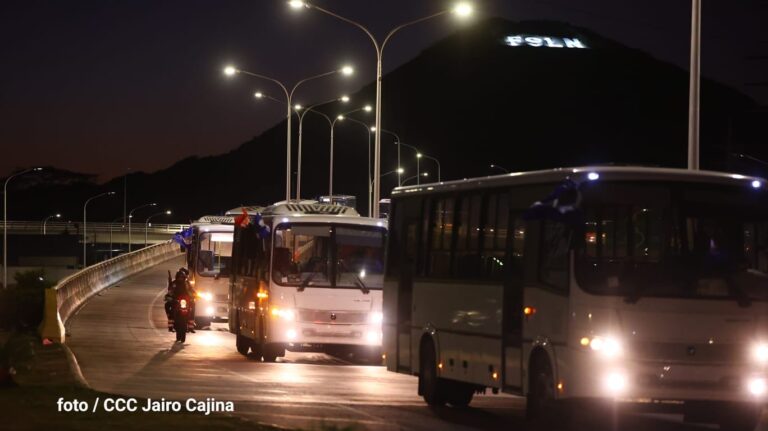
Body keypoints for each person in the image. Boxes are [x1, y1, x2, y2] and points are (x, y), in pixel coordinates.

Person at [165, 268, 197, 333]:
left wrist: (195, 295)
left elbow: (191, 290)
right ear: (177, 277)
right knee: (168, 305)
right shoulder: (174, 284)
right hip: (176, 301)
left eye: (182, 277)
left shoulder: (187, 284)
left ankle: (191, 326)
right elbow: (170, 291)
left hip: (186, 300)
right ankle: (170, 325)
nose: (180, 279)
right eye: (179, 277)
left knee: (193, 305)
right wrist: (169, 297)